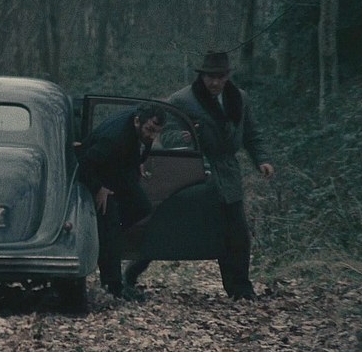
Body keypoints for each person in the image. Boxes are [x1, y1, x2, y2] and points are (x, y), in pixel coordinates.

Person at [124, 51, 274, 301]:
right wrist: (188, 136)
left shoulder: (239, 98)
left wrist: (262, 160)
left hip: (227, 172)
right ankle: (131, 273)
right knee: (167, 223)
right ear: (202, 76)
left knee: (236, 232)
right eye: (210, 77)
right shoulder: (182, 100)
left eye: (220, 77)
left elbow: (251, 133)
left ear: (227, 76)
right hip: (193, 171)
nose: (214, 82)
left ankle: (240, 289)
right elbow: (167, 135)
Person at [77, 103, 166, 300]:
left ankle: (106, 235)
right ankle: (113, 287)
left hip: (118, 171)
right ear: (137, 121)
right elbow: (84, 163)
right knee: (110, 229)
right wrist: (98, 188)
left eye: (156, 132)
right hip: (97, 177)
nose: (152, 136)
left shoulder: (140, 125)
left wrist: (138, 163)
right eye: (149, 130)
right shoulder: (114, 138)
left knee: (142, 206)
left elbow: (140, 147)